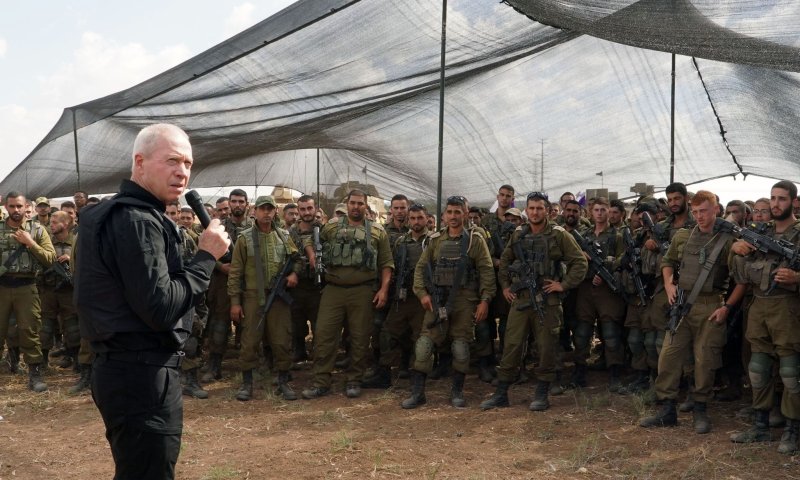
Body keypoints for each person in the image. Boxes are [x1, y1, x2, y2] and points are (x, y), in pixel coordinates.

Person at [74, 123, 229, 479]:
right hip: (140, 377)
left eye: (188, 163)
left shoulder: (112, 213)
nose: (182, 172)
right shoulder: (137, 220)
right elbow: (159, 308)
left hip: (123, 370)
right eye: (172, 160)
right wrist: (206, 257)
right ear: (139, 162)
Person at [640, 190, 744, 435]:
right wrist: (668, 284)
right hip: (682, 304)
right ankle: (667, 409)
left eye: (704, 211)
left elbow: (742, 280)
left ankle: (700, 409)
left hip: (711, 306)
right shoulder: (683, 237)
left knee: (704, 361)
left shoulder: (728, 241)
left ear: (716, 210)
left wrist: (727, 307)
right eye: (695, 211)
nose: (699, 216)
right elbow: (667, 262)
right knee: (668, 356)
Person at [480, 192, 587, 411]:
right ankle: (501, 393)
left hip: (547, 302)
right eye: (532, 208)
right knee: (511, 345)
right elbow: (505, 261)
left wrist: (563, 285)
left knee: (546, 347)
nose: (535, 212)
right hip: (520, 300)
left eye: (539, 208)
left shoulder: (559, 235)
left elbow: (579, 263)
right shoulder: (519, 233)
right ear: (526, 210)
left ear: (547, 211)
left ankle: (541, 393)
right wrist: (506, 287)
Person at [402, 195, 495, 409]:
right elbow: (420, 268)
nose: (453, 216)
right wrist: (422, 294)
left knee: (460, 346)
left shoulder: (475, 240)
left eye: (458, 212)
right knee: (424, 345)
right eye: (450, 212)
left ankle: (457, 391)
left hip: (465, 300)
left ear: (465, 213)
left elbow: (487, 272)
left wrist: (485, 300)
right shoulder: (435, 241)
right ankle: (418, 393)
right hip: (437, 298)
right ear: (443, 215)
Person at [301, 189, 394, 400]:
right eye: (352, 203)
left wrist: (383, 289)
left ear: (366, 206)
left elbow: (386, 264)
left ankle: (354, 380)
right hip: (333, 290)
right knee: (324, 336)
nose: (356, 207)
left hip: (362, 291)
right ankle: (321, 381)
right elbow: (309, 240)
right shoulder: (332, 227)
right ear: (347, 204)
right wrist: (313, 255)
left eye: (360, 203)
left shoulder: (378, 232)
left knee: (360, 338)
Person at [730, 181, 800, 453]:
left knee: (791, 372)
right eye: (772, 198)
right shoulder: (761, 232)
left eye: (781, 198)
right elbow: (738, 270)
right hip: (759, 306)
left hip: (787, 309)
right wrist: (735, 249)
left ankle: (792, 429)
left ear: (793, 201)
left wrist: (796, 278)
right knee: (758, 368)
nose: (775, 204)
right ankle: (760, 426)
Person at [228, 195, 300, 401]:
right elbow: (235, 273)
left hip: (278, 299)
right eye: (262, 209)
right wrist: (235, 302)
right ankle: (247, 383)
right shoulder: (244, 239)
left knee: (281, 341)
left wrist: (294, 274)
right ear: (255, 212)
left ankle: (283, 382)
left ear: (275, 212)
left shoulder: (284, 236)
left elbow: (297, 260)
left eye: (270, 209)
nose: (266, 212)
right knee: (250, 340)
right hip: (252, 298)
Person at [363, 203, 431, 388]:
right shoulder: (401, 242)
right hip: (403, 298)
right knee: (386, 333)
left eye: (420, 218)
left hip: (423, 300)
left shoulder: (433, 241)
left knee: (421, 339)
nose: (416, 222)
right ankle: (384, 374)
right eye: (413, 218)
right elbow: (392, 266)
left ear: (427, 219)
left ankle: (418, 381)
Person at [0, 192, 56, 391]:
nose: (16, 210)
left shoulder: (37, 230)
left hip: (27, 287)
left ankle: (35, 375)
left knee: (30, 331)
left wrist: (29, 243)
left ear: (26, 207)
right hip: (1, 288)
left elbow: (50, 258)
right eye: (12, 206)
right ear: (6, 207)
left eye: (19, 206)